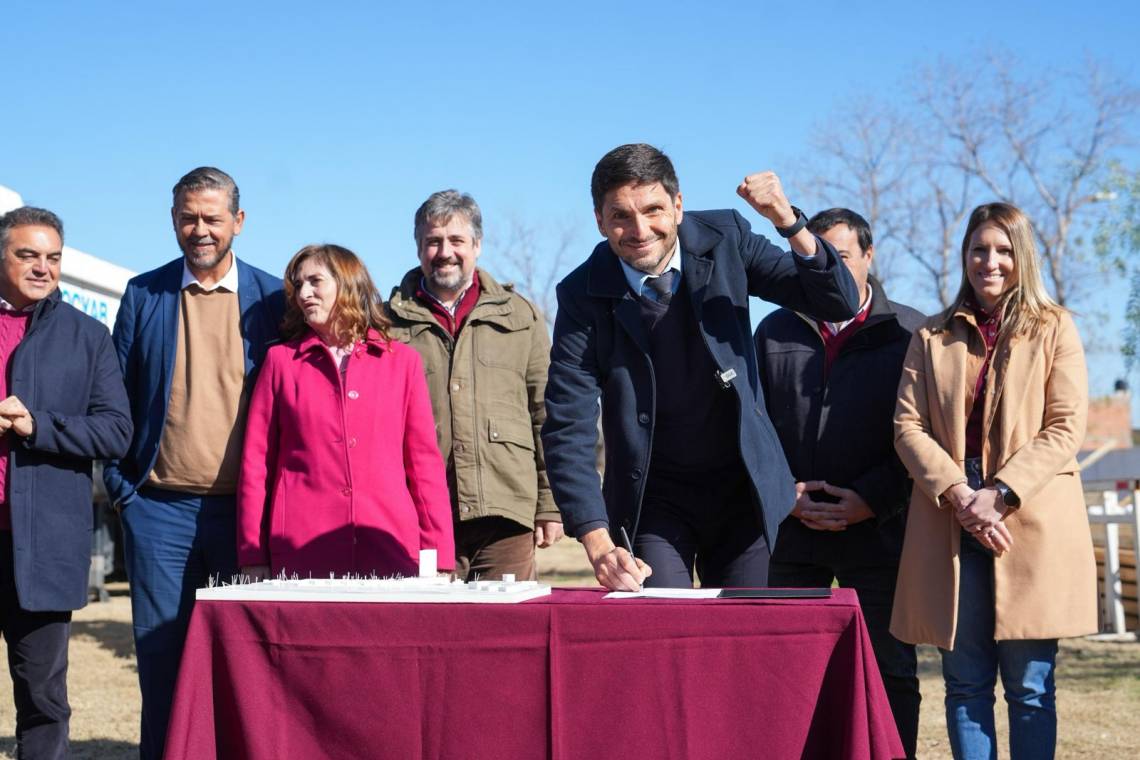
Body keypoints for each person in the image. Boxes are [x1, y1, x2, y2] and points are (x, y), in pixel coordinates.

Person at [542, 143, 860, 591]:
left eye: (653, 210)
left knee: (743, 626)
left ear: (678, 205)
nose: (640, 230)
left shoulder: (726, 238)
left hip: (742, 489)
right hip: (653, 496)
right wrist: (597, 542)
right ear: (599, 221)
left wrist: (788, 221)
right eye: (620, 216)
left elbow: (839, 302)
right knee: (664, 620)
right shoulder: (581, 294)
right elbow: (568, 423)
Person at [891, 202, 1097, 759]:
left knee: (1030, 687)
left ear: (1021, 256)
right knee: (964, 685)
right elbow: (907, 426)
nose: (990, 261)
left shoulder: (1055, 326)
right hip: (949, 513)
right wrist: (960, 492)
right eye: (979, 249)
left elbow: (1065, 425)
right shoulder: (931, 335)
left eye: (1004, 250)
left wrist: (1000, 493)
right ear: (964, 256)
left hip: (1027, 513)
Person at [102, 167, 285, 760]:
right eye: (188, 218)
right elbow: (116, 398)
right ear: (173, 220)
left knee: (244, 663)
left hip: (246, 516)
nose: (200, 229)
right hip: (158, 512)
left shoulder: (274, 299)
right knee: (162, 661)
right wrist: (123, 489)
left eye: (212, 218)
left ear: (238, 221)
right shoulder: (144, 294)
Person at [754, 208, 923, 758]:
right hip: (791, 532)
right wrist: (784, 494)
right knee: (782, 670)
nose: (827, 269)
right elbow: (752, 427)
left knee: (890, 670)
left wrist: (872, 499)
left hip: (880, 533)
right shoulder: (773, 330)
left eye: (842, 257)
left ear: (869, 257)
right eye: (817, 257)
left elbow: (925, 437)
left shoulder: (911, 333)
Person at [0, 207, 132, 758]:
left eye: (53, 257)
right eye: (28, 255)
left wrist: (37, 426)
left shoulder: (88, 335)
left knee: (43, 697)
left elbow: (116, 431)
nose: (43, 267)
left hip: (43, 542)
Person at [239, 244, 454, 577]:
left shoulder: (403, 363)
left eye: (315, 281)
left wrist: (438, 556)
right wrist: (253, 555)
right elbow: (256, 466)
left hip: (390, 547)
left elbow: (424, 465)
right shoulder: (280, 363)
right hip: (300, 550)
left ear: (348, 284)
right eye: (298, 285)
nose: (303, 294)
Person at [387, 190, 562, 581]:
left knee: (505, 620)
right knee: (426, 619)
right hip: (418, 513)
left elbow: (546, 412)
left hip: (506, 510)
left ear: (477, 245)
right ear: (418, 248)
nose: (445, 252)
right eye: (433, 241)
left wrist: (550, 502)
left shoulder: (521, 316)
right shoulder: (385, 324)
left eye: (456, 240)